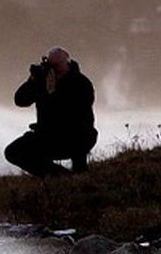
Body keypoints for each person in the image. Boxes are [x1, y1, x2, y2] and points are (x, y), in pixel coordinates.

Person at [5, 46, 97, 176]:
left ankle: (79, 172)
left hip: (76, 135)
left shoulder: (81, 83)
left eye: (58, 65)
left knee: (80, 140)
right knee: (12, 152)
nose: (55, 69)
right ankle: (59, 176)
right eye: (52, 65)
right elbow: (20, 100)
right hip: (48, 136)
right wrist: (32, 81)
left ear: (68, 63)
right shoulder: (42, 80)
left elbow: (76, 114)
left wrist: (53, 93)